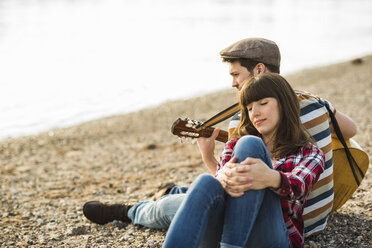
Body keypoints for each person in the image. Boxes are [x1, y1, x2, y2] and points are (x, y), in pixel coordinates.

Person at [82, 38, 357, 239]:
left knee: (177, 204)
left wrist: (209, 158)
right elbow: (350, 132)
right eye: (250, 107)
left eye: (236, 74)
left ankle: (130, 210)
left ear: (259, 70)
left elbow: (283, 180)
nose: (234, 84)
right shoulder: (319, 104)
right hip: (322, 212)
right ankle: (174, 192)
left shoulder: (244, 124)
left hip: (290, 220)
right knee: (211, 183)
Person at [163, 73, 325, 248]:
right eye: (248, 108)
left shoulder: (309, 153)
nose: (255, 113)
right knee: (205, 182)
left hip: (272, 237)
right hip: (227, 232)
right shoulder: (233, 147)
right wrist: (220, 173)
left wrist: (271, 177)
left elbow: (299, 186)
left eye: (263, 103)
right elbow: (223, 194)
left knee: (250, 144)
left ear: (284, 104)